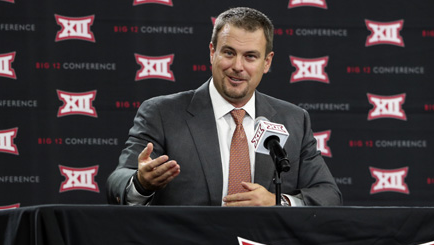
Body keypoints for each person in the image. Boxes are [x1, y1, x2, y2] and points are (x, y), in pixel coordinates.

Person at [106, 7, 341, 207]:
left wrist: (277, 201)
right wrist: (140, 183)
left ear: (266, 62)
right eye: (229, 53)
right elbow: (118, 180)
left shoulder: (294, 120)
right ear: (212, 53)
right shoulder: (161, 113)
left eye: (250, 57)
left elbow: (329, 195)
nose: (237, 66)